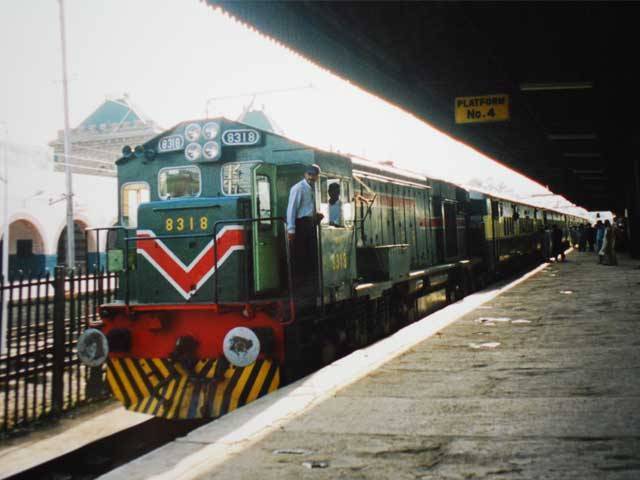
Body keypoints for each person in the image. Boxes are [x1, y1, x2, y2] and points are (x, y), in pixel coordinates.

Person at [286, 164, 323, 301]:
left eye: (314, 175)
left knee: (311, 255)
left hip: (310, 223)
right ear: (305, 175)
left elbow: (307, 207)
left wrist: (315, 215)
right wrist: (291, 229)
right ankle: (300, 289)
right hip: (301, 225)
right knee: (301, 255)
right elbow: (292, 209)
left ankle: (310, 287)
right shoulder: (298, 188)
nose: (312, 177)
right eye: (309, 174)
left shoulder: (312, 189)